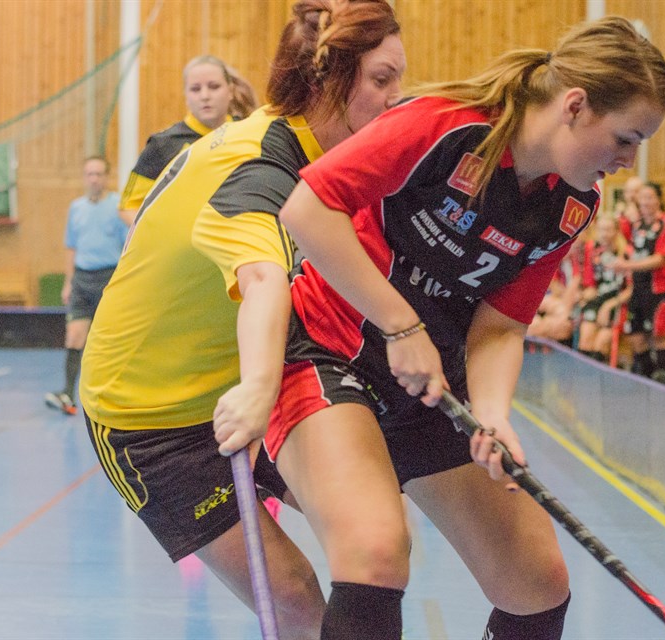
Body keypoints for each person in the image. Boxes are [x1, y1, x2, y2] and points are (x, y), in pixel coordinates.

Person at [268, 16, 665, 639]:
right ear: (574, 106)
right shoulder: (444, 126)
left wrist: (492, 415)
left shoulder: (571, 204)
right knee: (376, 553)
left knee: (537, 583)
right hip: (326, 350)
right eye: (625, 138)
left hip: (430, 386)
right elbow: (308, 209)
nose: (628, 161)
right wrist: (401, 326)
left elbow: (501, 326)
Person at [78, 1, 405, 636]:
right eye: (381, 79)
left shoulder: (307, 148)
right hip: (149, 416)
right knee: (296, 599)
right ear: (327, 82)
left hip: (241, 383)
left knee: (373, 538)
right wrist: (258, 389)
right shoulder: (254, 162)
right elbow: (261, 280)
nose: (397, 98)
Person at [44, 157, 128, 415]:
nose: (94, 179)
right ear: (84, 177)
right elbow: (71, 247)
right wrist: (68, 282)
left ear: (107, 177)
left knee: (111, 340)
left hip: (109, 278)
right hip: (82, 279)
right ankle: (68, 394)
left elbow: (129, 246)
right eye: (89, 174)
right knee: (74, 336)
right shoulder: (76, 208)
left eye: (99, 174)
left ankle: (116, 396)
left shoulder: (118, 207)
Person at [118, 55, 240, 226]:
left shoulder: (248, 134)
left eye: (214, 87)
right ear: (186, 96)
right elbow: (129, 206)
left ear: (231, 91)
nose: (205, 95)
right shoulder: (162, 144)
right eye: (195, 89)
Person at [612, 182, 665, 377]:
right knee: (635, 336)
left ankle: (663, 381)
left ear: (658, 200)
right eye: (642, 198)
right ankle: (647, 378)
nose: (646, 202)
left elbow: (660, 259)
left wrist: (627, 265)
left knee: (659, 336)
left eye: (650, 197)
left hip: (658, 289)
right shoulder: (635, 224)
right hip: (637, 289)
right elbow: (620, 230)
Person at [576, 214, 632, 361]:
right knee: (585, 338)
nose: (604, 234)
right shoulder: (592, 249)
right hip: (597, 300)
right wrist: (583, 295)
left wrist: (608, 305)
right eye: (600, 230)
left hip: (617, 303)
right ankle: (582, 374)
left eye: (608, 230)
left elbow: (631, 289)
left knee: (601, 342)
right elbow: (590, 284)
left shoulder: (626, 253)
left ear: (616, 231)